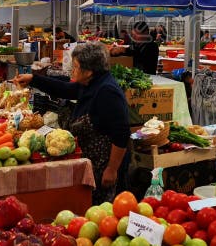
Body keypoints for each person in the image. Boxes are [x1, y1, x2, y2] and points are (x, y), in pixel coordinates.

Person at [11, 43, 129, 203]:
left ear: (89, 71)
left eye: (75, 66)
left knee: (98, 209)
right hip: (87, 160)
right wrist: (33, 79)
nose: (72, 70)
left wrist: (112, 169)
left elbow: (121, 134)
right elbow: (65, 89)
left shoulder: (108, 92)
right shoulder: (89, 83)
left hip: (102, 165)